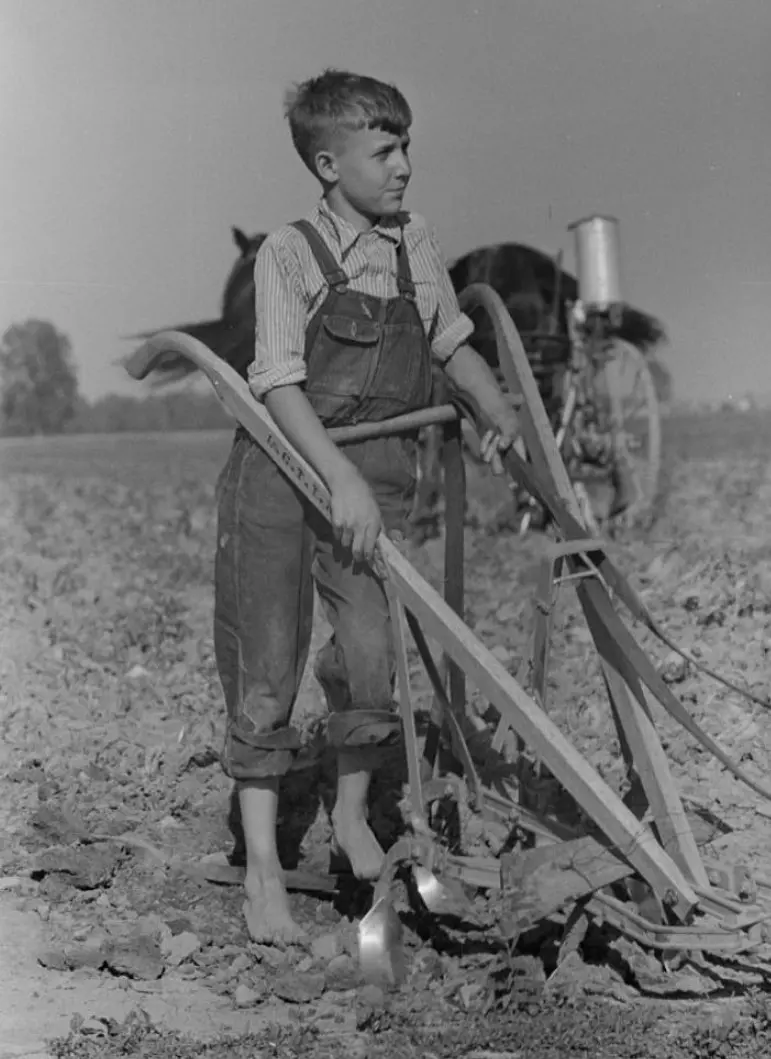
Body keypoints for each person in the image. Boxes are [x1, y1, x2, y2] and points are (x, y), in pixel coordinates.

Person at [214, 68, 520, 946]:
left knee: (369, 653)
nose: (403, 167)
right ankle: (264, 873)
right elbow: (275, 380)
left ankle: (351, 813)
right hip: (283, 470)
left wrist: (494, 410)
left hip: (371, 473)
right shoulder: (286, 253)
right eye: (384, 151)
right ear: (326, 162)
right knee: (266, 669)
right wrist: (336, 480)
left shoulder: (410, 241)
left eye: (406, 146)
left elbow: (448, 337)